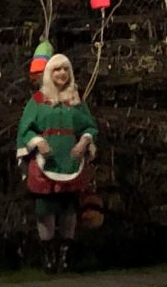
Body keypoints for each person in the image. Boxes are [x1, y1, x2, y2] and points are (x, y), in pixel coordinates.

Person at [17, 54, 98, 273]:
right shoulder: (38, 100)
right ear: (49, 73)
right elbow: (26, 128)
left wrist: (84, 141)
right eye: (56, 70)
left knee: (68, 209)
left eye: (65, 69)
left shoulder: (76, 100)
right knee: (46, 209)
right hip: (46, 164)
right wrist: (38, 141)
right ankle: (48, 257)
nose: (61, 73)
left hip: (71, 163)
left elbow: (90, 127)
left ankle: (65, 257)